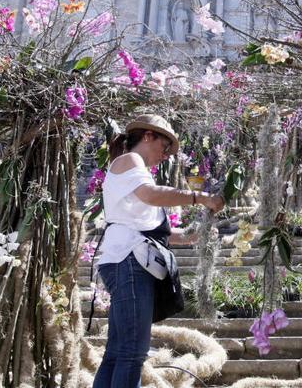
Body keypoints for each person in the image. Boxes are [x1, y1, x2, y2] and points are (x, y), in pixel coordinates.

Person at [93, 114, 224, 388]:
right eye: (165, 147)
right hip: (128, 259)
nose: (166, 155)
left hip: (125, 256)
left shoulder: (133, 171)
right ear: (148, 136)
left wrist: (194, 236)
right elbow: (151, 195)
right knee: (132, 352)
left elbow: (155, 231)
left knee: (118, 351)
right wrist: (199, 198)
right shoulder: (131, 161)